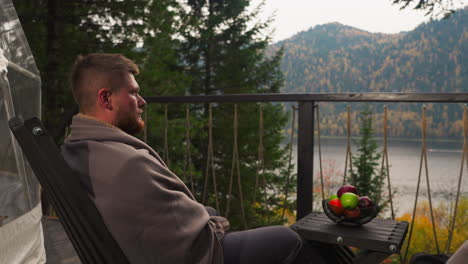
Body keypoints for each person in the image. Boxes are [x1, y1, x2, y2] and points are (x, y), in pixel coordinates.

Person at [61, 53, 340, 264]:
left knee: (213, 213)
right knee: (291, 238)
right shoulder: (127, 165)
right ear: (106, 99)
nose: (142, 101)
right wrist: (213, 223)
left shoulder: (79, 149)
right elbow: (194, 242)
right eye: (133, 93)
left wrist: (207, 217)